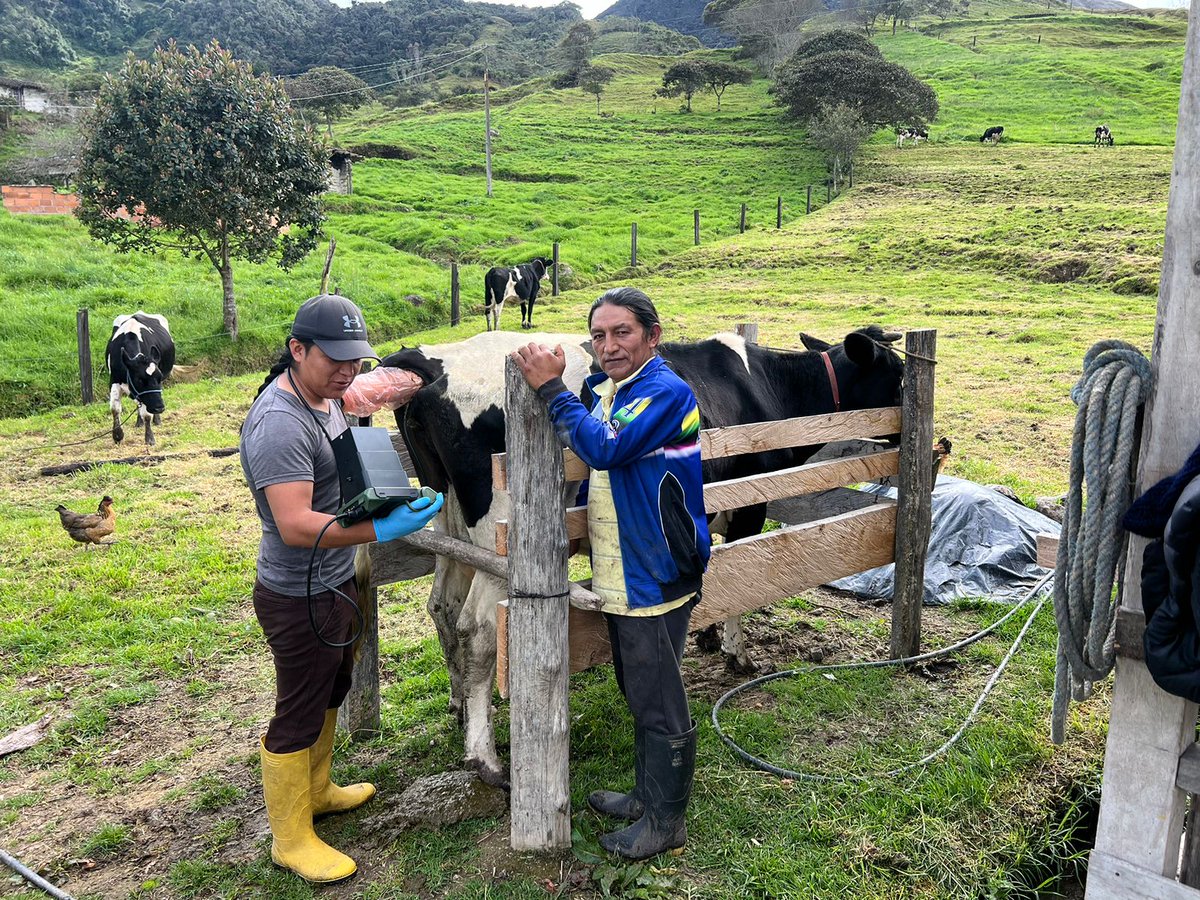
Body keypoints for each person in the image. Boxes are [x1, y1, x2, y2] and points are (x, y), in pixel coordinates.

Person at [240, 294, 443, 883]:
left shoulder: (324, 399)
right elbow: (295, 523)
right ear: (297, 350)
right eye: (335, 360)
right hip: (297, 591)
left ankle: (319, 789)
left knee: (334, 688)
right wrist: (381, 528)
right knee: (298, 708)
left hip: (334, 583)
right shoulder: (279, 423)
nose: (348, 372)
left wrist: (384, 497)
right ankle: (291, 837)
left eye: (356, 360)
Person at [511, 286, 710, 861]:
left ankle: (667, 822)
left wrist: (550, 387)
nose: (608, 345)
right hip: (628, 564)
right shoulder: (614, 388)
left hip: (656, 566)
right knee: (638, 683)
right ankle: (648, 796)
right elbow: (598, 422)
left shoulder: (666, 391)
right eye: (598, 336)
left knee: (658, 693)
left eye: (622, 332)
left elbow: (601, 447)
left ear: (653, 335)